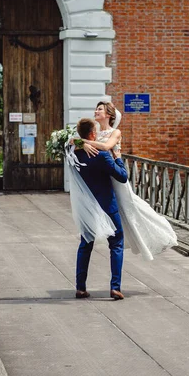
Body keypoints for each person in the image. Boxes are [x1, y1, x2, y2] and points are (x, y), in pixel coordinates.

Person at [80, 101, 178, 261]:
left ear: (109, 115)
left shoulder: (115, 132)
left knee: (127, 205)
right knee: (108, 207)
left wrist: (84, 142)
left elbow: (106, 147)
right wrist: (79, 143)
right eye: (96, 108)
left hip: (116, 174)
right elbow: (75, 143)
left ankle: (154, 233)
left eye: (99, 109)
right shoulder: (95, 133)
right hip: (101, 176)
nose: (95, 111)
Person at [71, 118, 129, 300]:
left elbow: (68, 142)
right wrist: (118, 158)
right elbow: (122, 177)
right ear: (93, 134)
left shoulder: (73, 153)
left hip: (86, 207)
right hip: (106, 205)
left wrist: (78, 141)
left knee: (85, 244)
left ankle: (80, 287)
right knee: (117, 244)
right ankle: (115, 287)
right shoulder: (102, 155)